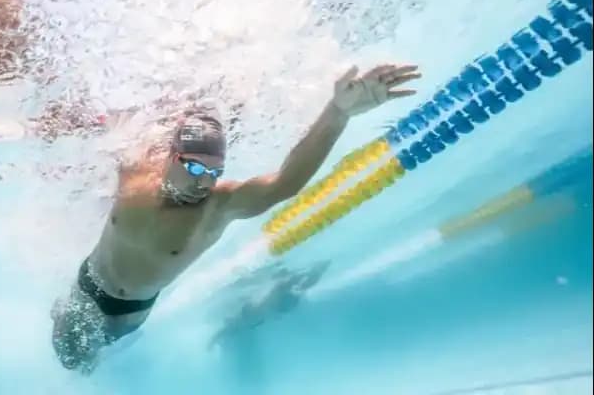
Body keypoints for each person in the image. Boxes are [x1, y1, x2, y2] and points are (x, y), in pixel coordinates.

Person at [51, 63, 422, 373]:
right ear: (170, 156)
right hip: (85, 287)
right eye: (195, 167)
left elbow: (285, 183)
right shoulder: (135, 173)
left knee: (83, 364)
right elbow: (105, 121)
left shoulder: (217, 207)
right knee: (66, 355)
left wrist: (337, 112)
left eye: (214, 172)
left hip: (127, 314)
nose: (203, 182)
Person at [207, 260, 332, 349]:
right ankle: (315, 271)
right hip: (272, 306)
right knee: (292, 285)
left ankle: (315, 271)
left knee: (291, 285)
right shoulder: (242, 319)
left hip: (271, 306)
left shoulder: (244, 317)